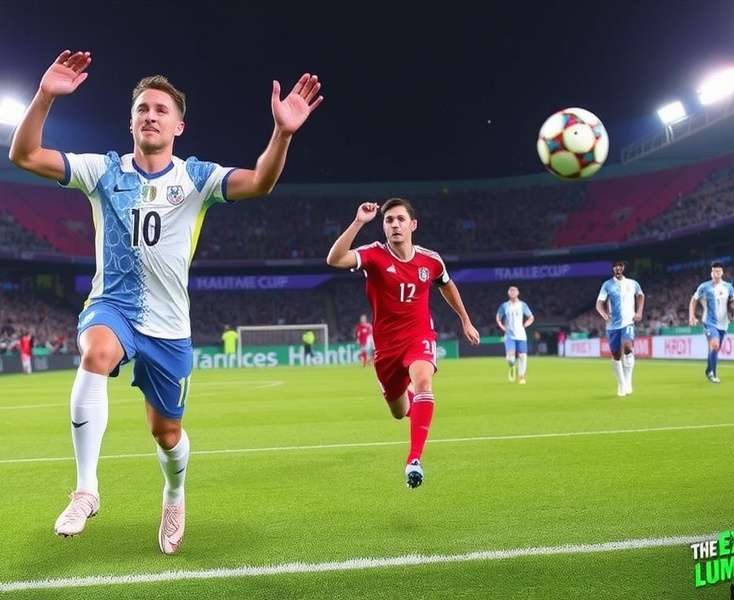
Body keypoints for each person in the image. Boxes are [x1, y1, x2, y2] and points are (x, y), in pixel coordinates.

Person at [9, 50, 322, 553]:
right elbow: (24, 156)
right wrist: (45, 96)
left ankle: (174, 494)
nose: (150, 115)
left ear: (179, 124)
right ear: (129, 121)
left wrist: (282, 133)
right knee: (96, 352)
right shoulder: (101, 171)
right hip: (112, 306)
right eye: (142, 109)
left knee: (167, 433)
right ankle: (86, 489)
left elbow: (261, 182)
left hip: (170, 326)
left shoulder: (196, 179)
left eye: (160, 109)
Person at [326, 198, 480, 488]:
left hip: (419, 336)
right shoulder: (373, 255)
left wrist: (465, 320)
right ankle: (415, 405)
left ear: (413, 225)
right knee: (399, 412)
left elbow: (446, 284)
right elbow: (334, 259)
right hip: (386, 349)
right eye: (389, 220)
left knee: (424, 383)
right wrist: (359, 221)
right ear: (383, 226)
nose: (394, 224)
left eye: (399, 219)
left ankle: (414, 460)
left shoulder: (431, 260)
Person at [595, 261, 644, 397]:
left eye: (620, 266)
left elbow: (640, 295)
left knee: (628, 347)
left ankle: (628, 382)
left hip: (628, 321)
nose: (618, 268)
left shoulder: (632, 283)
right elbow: (599, 303)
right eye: (616, 266)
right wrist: (603, 313)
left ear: (623, 268)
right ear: (613, 268)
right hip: (612, 325)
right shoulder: (607, 285)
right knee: (616, 355)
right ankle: (621, 384)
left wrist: (639, 312)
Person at [688, 262, 734, 383]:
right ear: (711, 273)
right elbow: (694, 300)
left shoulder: (729, 287)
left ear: (722, 273)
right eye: (715, 271)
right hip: (709, 322)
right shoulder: (704, 287)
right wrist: (692, 316)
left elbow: (733, 302)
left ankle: (709, 369)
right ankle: (712, 374)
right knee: (714, 344)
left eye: (719, 271)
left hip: (724, 323)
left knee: (715, 348)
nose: (717, 274)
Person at [495, 286, 534, 384]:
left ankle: (521, 377)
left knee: (522, 356)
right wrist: (502, 327)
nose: (512, 292)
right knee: (510, 358)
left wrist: (525, 325)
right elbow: (498, 317)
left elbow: (531, 317)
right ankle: (512, 366)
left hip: (521, 335)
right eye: (510, 290)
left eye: (514, 290)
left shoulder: (522, 305)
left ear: (518, 292)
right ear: (508, 293)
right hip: (509, 335)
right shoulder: (505, 306)